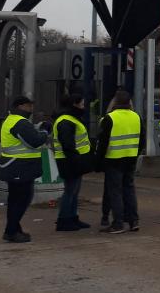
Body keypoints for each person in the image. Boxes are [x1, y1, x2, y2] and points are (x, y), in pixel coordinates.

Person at [0, 96, 49, 243]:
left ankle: (14, 229)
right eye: (29, 106)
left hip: (13, 166)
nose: (31, 109)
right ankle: (11, 231)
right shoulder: (20, 123)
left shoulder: (12, 120)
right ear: (20, 106)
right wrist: (45, 132)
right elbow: (34, 142)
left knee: (15, 200)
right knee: (22, 200)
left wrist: (37, 129)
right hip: (20, 167)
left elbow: (26, 136)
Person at [97, 90, 145, 234]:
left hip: (114, 159)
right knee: (129, 189)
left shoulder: (109, 118)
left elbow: (103, 143)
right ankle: (133, 221)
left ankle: (118, 223)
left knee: (115, 192)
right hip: (130, 158)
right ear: (129, 102)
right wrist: (135, 154)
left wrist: (98, 161)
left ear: (115, 102)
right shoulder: (136, 117)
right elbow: (142, 140)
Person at [52, 94, 93, 232]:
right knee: (70, 191)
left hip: (73, 159)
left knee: (74, 191)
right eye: (81, 104)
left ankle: (72, 217)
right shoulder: (66, 121)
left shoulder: (71, 119)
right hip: (68, 161)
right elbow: (67, 144)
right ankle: (64, 220)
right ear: (74, 104)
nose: (83, 107)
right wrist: (77, 160)